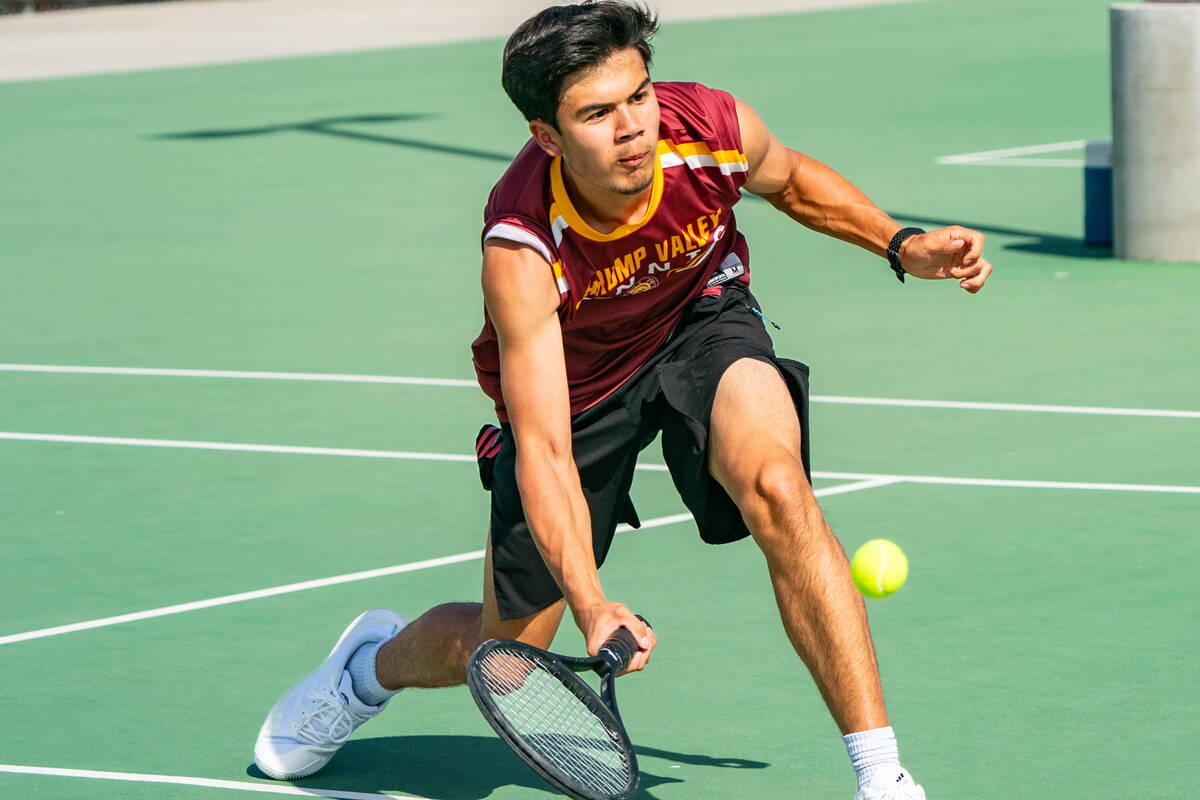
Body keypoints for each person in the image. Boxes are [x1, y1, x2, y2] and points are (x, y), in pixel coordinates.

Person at [252, 3, 992, 798]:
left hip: (698, 319)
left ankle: (882, 777)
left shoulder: (706, 125)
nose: (633, 125)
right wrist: (592, 604)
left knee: (779, 487)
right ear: (548, 136)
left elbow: (793, 180)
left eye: (637, 95)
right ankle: (368, 669)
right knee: (503, 657)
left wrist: (898, 242)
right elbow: (544, 448)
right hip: (578, 390)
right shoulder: (522, 245)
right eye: (597, 114)